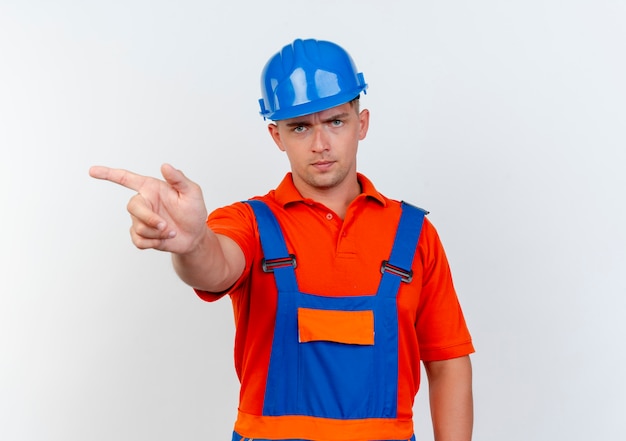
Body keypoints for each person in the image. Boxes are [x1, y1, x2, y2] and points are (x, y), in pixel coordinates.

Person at [90, 38, 474, 441]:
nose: (320, 144)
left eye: (335, 122)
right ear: (277, 135)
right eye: (300, 127)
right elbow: (215, 267)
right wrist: (191, 243)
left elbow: (448, 362)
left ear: (361, 124)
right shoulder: (251, 223)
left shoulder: (413, 235)